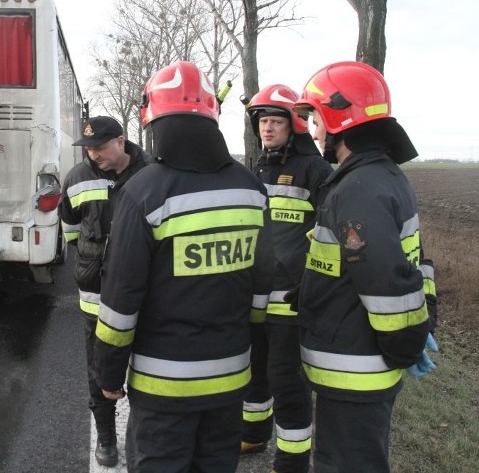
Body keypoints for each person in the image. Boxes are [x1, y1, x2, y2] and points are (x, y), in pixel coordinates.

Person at [93, 61, 274, 472]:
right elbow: (263, 284)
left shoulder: (144, 192)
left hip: (163, 387)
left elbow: (121, 301)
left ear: (152, 118)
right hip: (230, 377)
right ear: (212, 115)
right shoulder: (251, 189)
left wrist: (108, 373)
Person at [291, 61, 439, 472]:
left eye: (315, 118)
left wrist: (406, 344)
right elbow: (409, 261)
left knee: (345, 464)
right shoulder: (383, 176)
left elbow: (384, 280)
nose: (314, 130)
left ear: (339, 115)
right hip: (361, 361)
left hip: (354, 366)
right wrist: (308, 290)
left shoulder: (358, 189)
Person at [241, 85, 333, 473]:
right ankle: (253, 432)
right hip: (255, 293)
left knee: (286, 377)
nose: (268, 128)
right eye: (263, 121)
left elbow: (329, 233)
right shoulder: (255, 168)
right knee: (253, 367)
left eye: (276, 121)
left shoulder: (317, 171)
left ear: (293, 125)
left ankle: (293, 459)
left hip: (291, 296)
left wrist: (308, 281)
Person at [58, 115, 152, 467]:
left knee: (146, 368)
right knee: (99, 369)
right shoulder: (77, 178)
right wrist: (90, 263)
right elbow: (70, 230)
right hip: (96, 297)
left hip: (145, 297)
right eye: (87, 149)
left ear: (121, 141)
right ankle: (107, 439)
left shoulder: (151, 173)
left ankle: (144, 435)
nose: (92, 155)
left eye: (98, 147)